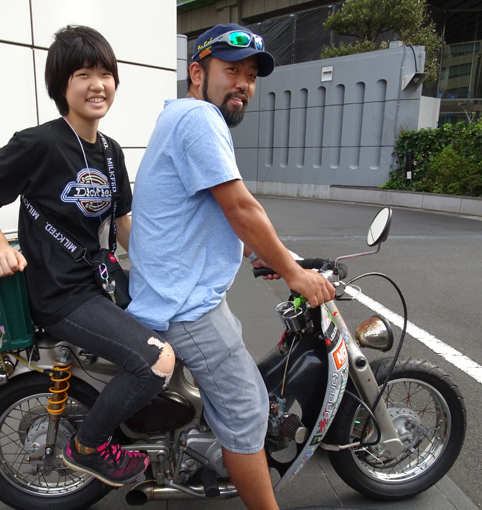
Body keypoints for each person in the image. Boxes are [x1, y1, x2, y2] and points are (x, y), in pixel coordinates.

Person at [126, 23, 335, 510]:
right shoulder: (200, 119)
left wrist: (256, 251)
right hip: (185, 306)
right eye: (231, 70)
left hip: (181, 292)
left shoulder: (181, 117)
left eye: (250, 75)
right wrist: (294, 272)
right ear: (197, 73)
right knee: (247, 410)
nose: (242, 83)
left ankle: (211, 451)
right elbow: (240, 207)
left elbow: (206, 209)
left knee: (235, 379)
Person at [0, 25, 174, 488]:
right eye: (83, 74)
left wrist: (165, 271)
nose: (98, 84)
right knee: (157, 362)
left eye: (105, 73)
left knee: (181, 321)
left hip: (99, 281)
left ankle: (157, 423)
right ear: (61, 86)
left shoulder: (111, 153)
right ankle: (89, 446)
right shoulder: (39, 142)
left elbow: (123, 225)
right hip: (60, 293)